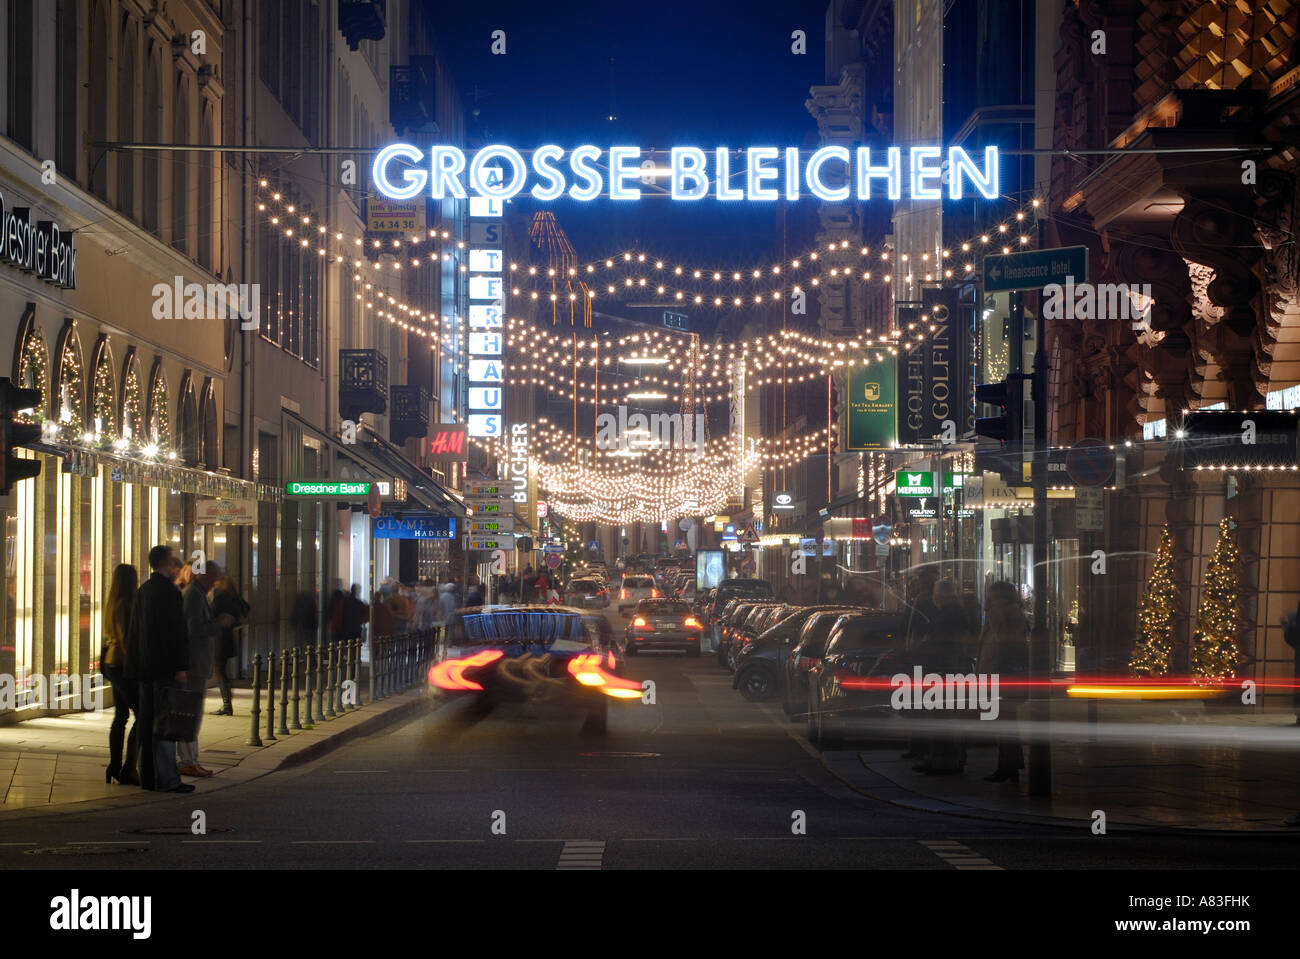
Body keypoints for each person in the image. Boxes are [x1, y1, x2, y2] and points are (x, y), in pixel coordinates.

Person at [123, 545, 194, 793]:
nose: (176, 564)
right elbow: (174, 634)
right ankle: (168, 779)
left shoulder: (144, 591)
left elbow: (135, 634)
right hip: (165, 669)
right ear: (166, 563)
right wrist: (180, 666)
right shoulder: (169, 593)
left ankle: (149, 777)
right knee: (166, 725)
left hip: (145, 670)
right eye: (173, 560)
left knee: (147, 723)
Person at [912, 579, 976, 774]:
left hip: (945, 670)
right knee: (945, 716)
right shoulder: (954, 612)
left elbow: (940, 643)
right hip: (949, 669)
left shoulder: (947, 615)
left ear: (940, 595)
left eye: (935, 593)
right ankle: (945, 758)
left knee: (942, 716)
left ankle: (944, 760)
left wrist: (924, 649)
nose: (933, 597)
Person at [177, 561, 231, 778]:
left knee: (194, 713)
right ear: (206, 576)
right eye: (215, 577)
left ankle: (192, 759)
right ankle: (188, 760)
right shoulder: (193, 595)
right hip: (194, 664)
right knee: (190, 713)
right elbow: (193, 628)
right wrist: (219, 623)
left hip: (197, 664)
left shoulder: (197, 593)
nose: (216, 582)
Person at [976, 581, 1029, 783]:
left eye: (991, 595)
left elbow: (1002, 639)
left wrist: (995, 615)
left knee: (1004, 722)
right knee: (1006, 722)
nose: (988, 598)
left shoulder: (1006, 613)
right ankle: (1009, 765)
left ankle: (1007, 766)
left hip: (1002, 674)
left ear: (999, 596)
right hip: (999, 673)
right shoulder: (1008, 612)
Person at [102, 563, 141, 785]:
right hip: (124, 665)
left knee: (121, 716)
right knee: (143, 714)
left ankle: (114, 765)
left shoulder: (112, 602)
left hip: (112, 663)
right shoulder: (126, 605)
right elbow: (127, 639)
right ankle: (129, 767)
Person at [210, 575, 249, 715]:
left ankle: (227, 705)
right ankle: (227, 704)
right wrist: (235, 622)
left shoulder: (220, 596)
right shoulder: (234, 597)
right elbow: (246, 610)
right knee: (222, 671)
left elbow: (211, 613)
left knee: (220, 671)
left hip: (219, 639)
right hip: (227, 638)